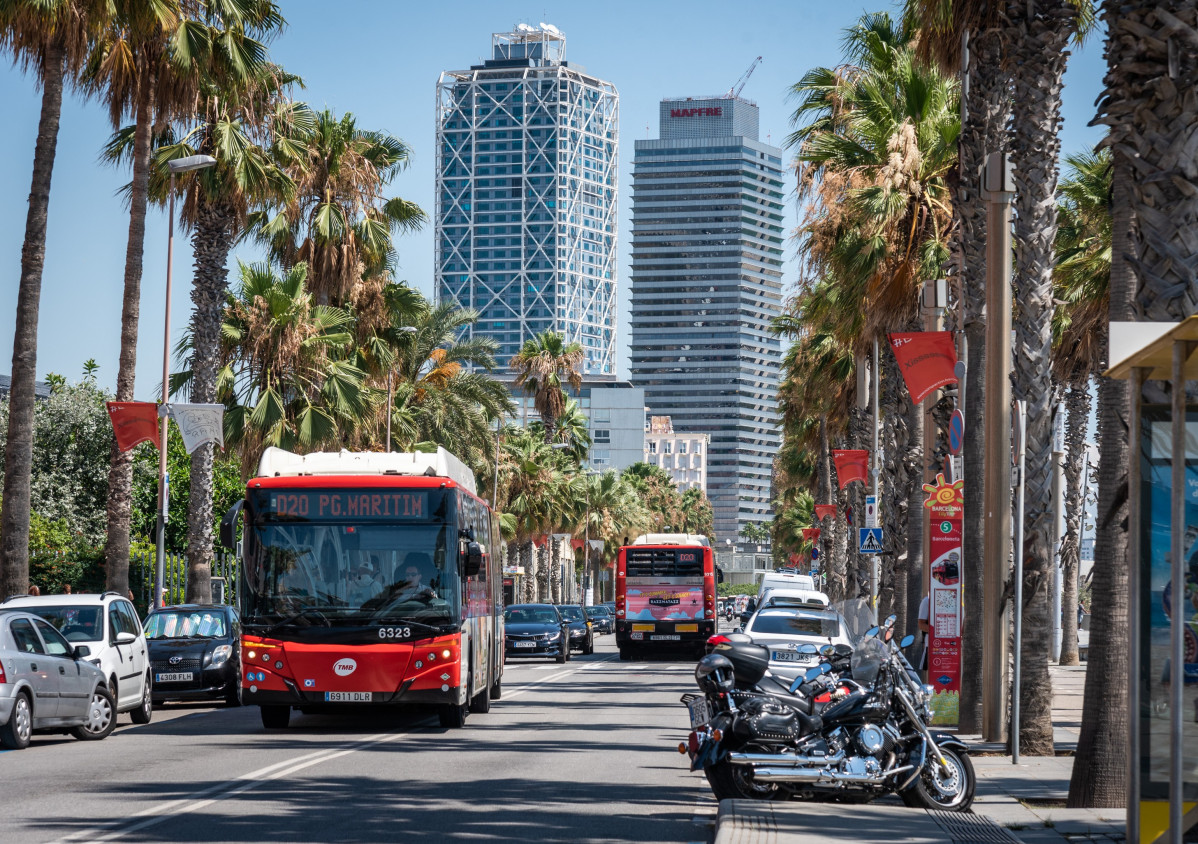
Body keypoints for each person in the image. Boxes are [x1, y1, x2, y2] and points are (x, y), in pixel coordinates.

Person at [917, 593, 931, 678]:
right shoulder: (927, 601)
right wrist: (938, 632)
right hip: (933, 645)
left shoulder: (959, 598)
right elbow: (921, 624)